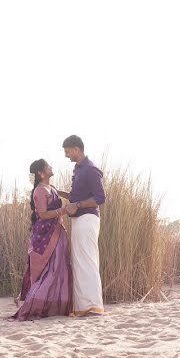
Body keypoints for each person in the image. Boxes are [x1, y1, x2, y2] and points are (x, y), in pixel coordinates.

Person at [11, 159, 77, 321]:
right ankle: (40, 306)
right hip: (46, 235)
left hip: (57, 231)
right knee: (50, 270)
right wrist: (64, 210)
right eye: (48, 166)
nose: (51, 167)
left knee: (59, 267)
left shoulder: (50, 188)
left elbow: (64, 196)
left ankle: (55, 307)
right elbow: (42, 214)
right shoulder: (40, 191)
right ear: (41, 173)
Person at [61, 134, 106, 317]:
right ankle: (84, 307)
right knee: (80, 262)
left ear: (76, 149)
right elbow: (75, 197)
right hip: (79, 220)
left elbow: (100, 198)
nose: (66, 155)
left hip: (87, 219)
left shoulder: (90, 169)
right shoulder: (78, 169)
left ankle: (93, 306)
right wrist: (58, 193)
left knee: (87, 261)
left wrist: (77, 205)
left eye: (67, 152)